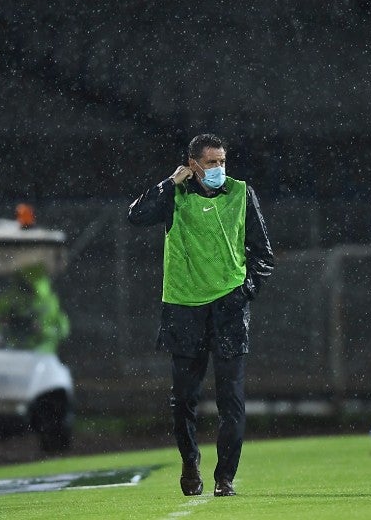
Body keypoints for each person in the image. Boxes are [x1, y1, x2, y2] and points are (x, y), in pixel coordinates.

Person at [127, 133, 274, 497]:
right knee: (183, 401)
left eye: (222, 161)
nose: (219, 169)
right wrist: (168, 182)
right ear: (192, 166)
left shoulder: (242, 194)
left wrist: (245, 292)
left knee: (232, 400)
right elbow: (135, 215)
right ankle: (190, 461)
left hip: (229, 311)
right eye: (211, 163)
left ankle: (225, 478)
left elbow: (263, 254)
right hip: (184, 310)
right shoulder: (173, 196)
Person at [0, 262, 70, 354]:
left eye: (29, 284)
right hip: (12, 353)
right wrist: (3, 321)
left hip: (41, 355)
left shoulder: (49, 302)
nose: (26, 287)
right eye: (24, 283)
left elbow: (62, 329)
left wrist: (42, 328)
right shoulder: (10, 299)